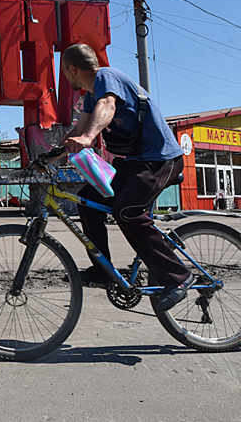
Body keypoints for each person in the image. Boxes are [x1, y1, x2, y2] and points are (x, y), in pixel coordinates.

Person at [60, 43, 193, 312]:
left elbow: (107, 105)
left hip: (161, 160)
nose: (65, 77)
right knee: (87, 200)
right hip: (134, 164)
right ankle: (102, 270)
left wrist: (87, 138)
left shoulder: (105, 78)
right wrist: (50, 156)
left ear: (72, 69)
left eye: (64, 72)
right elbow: (81, 125)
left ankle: (178, 277)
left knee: (128, 211)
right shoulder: (90, 96)